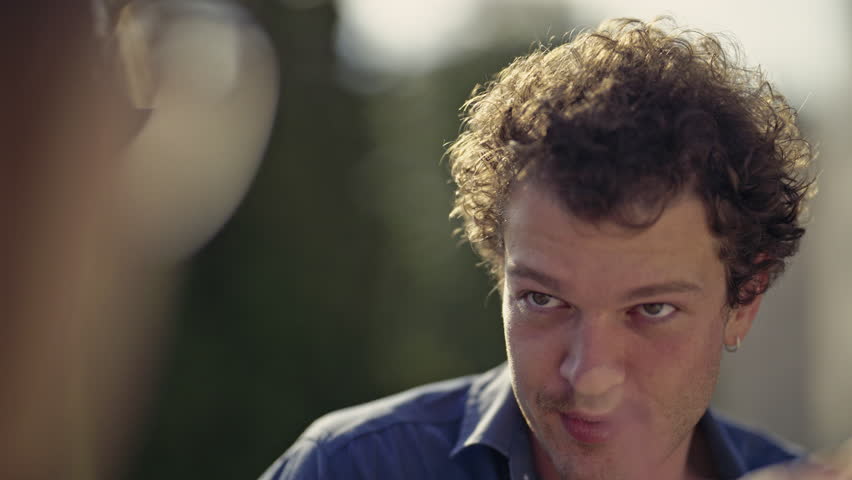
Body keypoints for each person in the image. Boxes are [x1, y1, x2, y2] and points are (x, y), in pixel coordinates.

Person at [259, 17, 828, 480]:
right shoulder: (352, 468)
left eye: (651, 310)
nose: (589, 375)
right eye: (542, 299)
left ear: (744, 300)